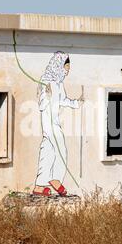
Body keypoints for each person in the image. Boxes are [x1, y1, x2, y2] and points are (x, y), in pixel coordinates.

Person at [33, 51, 83, 197]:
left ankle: (39, 186)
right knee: (60, 149)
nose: (68, 70)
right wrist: (46, 95)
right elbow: (42, 104)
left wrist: (76, 103)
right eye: (66, 66)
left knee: (47, 151)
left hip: (54, 121)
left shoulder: (59, 83)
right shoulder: (45, 80)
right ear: (59, 65)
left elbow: (63, 100)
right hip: (48, 121)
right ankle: (55, 179)